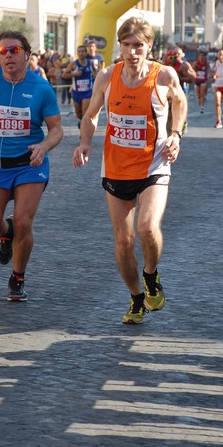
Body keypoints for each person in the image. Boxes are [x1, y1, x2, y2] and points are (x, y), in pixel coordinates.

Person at [72, 17, 187, 324]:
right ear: (120, 46)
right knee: (123, 241)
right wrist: (85, 142)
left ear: (149, 47)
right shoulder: (108, 76)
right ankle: (136, 296)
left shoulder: (164, 75)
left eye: (139, 45)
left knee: (148, 227)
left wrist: (176, 134)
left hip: (155, 163)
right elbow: (91, 113)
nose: (133, 52)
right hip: (116, 166)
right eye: (127, 45)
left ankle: (151, 274)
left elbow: (180, 101)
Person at [0, 30, 63, 301]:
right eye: (3, 51)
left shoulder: (41, 88)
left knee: (24, 221)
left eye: (14, 50)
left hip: (30, 165)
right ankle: (6, 234)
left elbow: (56, 129)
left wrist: (44, 146)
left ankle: (17, 277)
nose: (8, 55)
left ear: (27, 54)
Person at [62, 45, 94, 128]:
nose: (81, 53)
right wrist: (74, 74)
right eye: (79, 52)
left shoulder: (90, 62)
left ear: (86, 52)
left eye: (83, 51)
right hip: (76, 92)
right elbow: (64, 74)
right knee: (78, 113)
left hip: (87, 91)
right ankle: (81, 121)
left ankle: (83, 130)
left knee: (85, 111)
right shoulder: (73, 64)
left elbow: (96, 73)